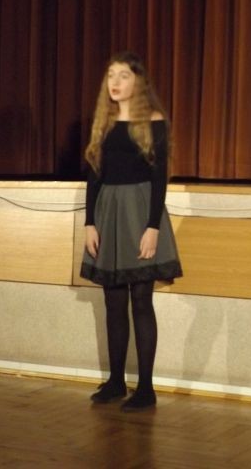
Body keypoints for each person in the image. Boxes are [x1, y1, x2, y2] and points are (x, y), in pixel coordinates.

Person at [81, 51, 183, 412]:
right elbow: (94, 173)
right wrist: (90, 222)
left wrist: (152, 227)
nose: (115, 82)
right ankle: (115, 381)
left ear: (138, 81)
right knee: (113, 302)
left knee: (141, 300)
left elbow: (159, 178)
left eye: (123, 75)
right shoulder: (104, 121)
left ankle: (146, 388)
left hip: (139, 213)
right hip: (108, 213)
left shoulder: (153, 121)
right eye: (111, 75)